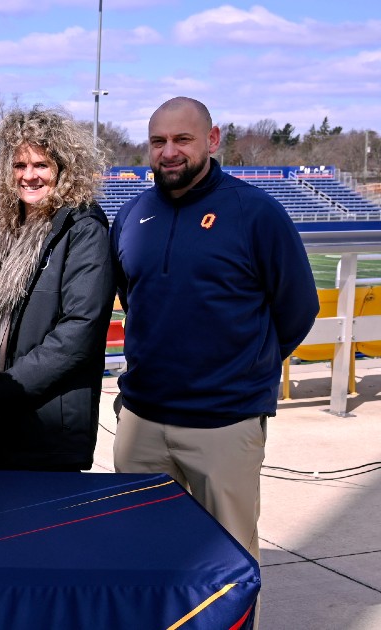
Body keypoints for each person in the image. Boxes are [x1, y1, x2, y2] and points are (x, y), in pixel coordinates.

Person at [110, 96, 319, 559]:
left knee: (226, 563)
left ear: (212, 139)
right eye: (158, 141)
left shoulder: (256, 213)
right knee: (140, 557)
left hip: (224, 425)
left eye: (182, 139)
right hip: (142, 420)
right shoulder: (130, 216)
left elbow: (298, 308)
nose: (169, 152)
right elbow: (134, 298)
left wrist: (240, 371)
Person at [0, 106, 113, 472]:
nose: (29, 176)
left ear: (64, 169)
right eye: (19, 166)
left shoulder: (83, 229)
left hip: (48, 424)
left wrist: (3, 393)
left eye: (41, 165)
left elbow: (79, 331)